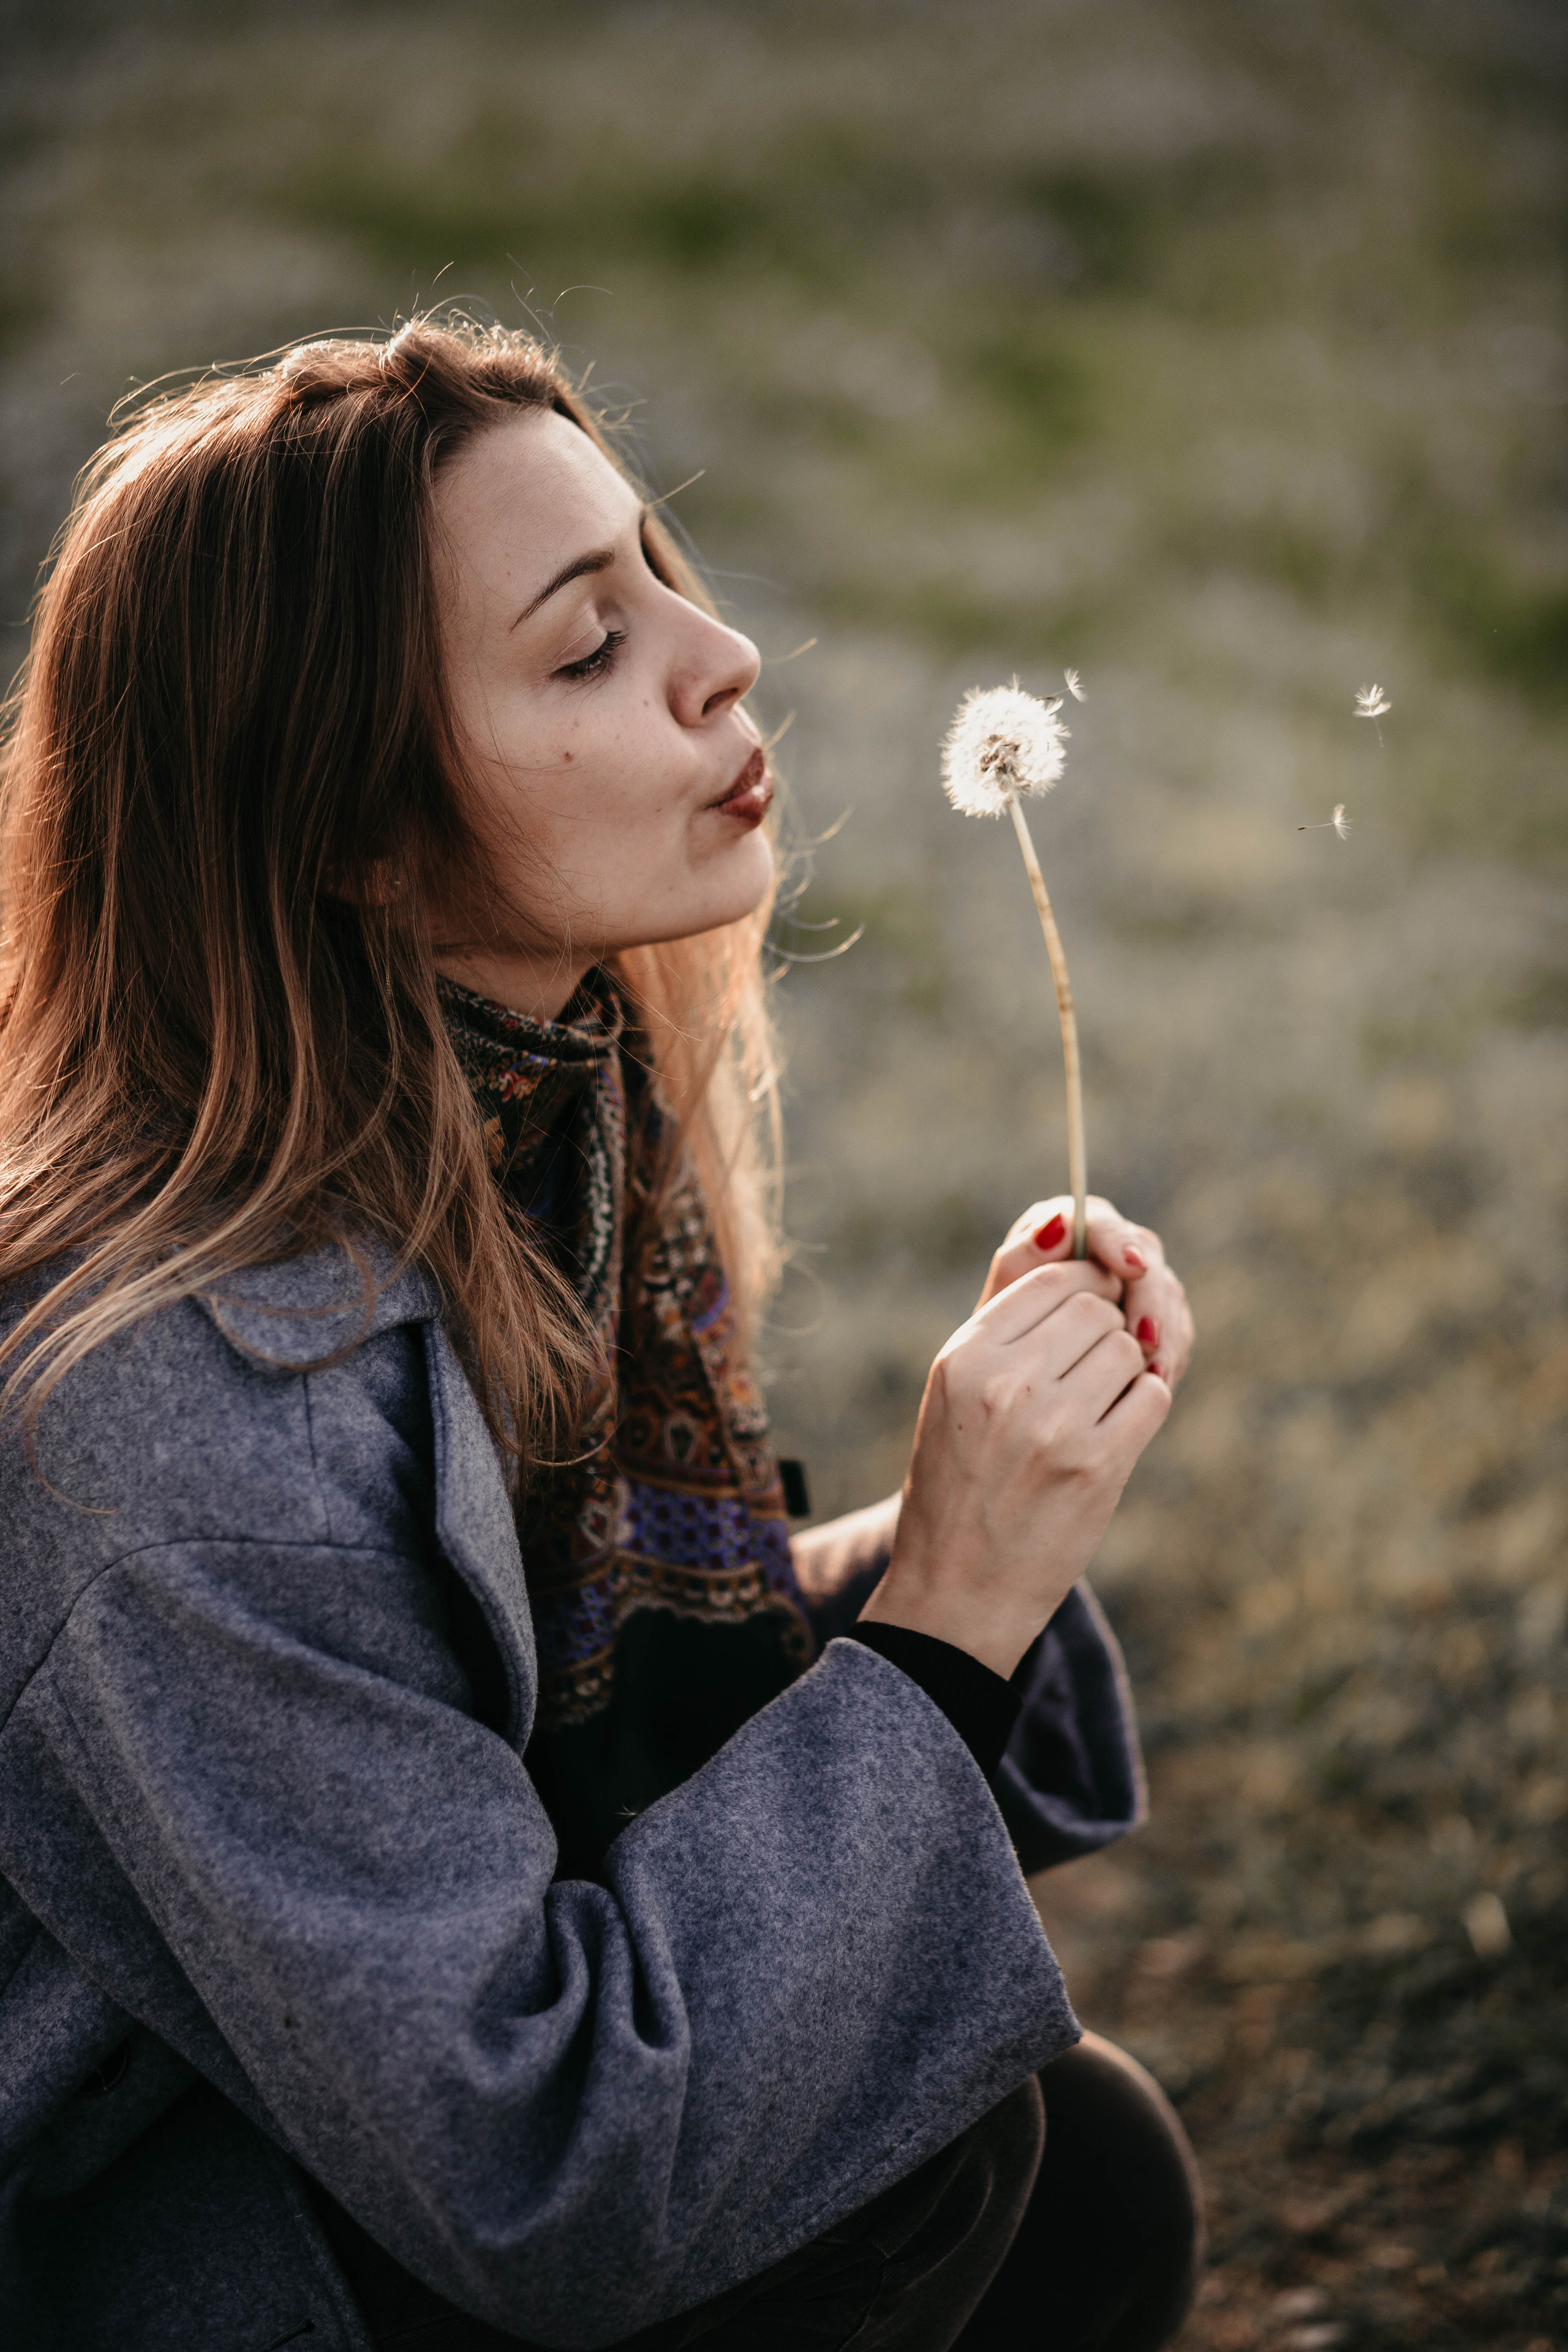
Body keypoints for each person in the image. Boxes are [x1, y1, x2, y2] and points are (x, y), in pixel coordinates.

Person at [0, 318, 1200, 2352]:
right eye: (582, 647)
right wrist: (947, 1615)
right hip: (182, 2237)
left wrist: (968, 1536)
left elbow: (553, 1701)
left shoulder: (543, 1120)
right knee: (940, 2183)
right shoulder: (184, 1408)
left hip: (337, 2117)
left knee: (1079, 2169)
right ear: (352, 835)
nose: (716, 655)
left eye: (658, 568)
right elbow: (535, 2152)